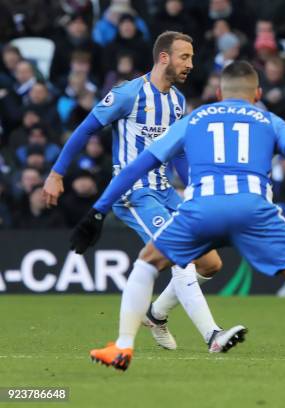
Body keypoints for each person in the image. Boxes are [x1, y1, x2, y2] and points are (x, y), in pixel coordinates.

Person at [70, 61, 285, 380]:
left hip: (201, 209)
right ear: (258, 93)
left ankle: (122, 347)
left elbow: (139, 165)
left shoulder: (194, 119)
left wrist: (98, 210)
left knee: (147, 263)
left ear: (218, 93)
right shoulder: (268, 119)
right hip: (254, 209)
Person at [42, 31, 244, 353]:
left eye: (191, 58)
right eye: (184, 57)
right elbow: (85, 130)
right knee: (181, 257)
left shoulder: (177, 102)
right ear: (163, 57)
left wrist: (197, 185)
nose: (190, 64)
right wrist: (56, 173)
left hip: (165, 192)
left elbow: (177, 153)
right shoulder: (127, 94)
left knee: (211, 263)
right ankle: (213, 335)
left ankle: (156, 314)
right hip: (135, 193)